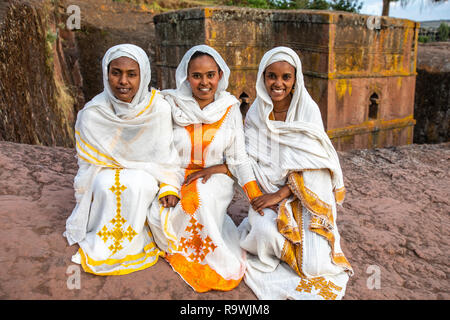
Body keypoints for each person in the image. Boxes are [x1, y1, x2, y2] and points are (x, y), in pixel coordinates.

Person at [239, 46, 353, 300]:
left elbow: (318, 160)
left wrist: (280, 195)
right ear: (262, 77)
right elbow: (249, 157)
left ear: (295, 79)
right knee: (265, 233)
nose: (278, 83)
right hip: (266, 188)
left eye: (286, 77)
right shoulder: (257, 112)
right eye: (272, 76)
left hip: (303, 193)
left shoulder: (307, 110)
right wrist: (263, 193)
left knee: (314, 267)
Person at [147, 45, 262, 292]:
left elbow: (238, 157)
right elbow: (160, 150)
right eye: (196, 75)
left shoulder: (229, 107)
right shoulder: (170, 103)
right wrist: (168, 184)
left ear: (220, 76)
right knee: (158, 213)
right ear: (186, 77)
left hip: (215, 178)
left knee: (202, 200)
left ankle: (209, 260)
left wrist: (255, 196)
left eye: (210, 75)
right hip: (173, 174)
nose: (204, 82)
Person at [64, 44, 182, 275]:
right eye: (116, 72)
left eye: (131, 74)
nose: (123, 81)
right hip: (104, 172)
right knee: (105, 185)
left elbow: (165, 159)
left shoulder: (157, 109)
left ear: (144, 75)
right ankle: (104, 239)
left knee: (139, 185)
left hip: (147, 177)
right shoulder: (93, 113)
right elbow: (88, 165)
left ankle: (140, 237)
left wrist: (169, 185)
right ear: (106, 74)